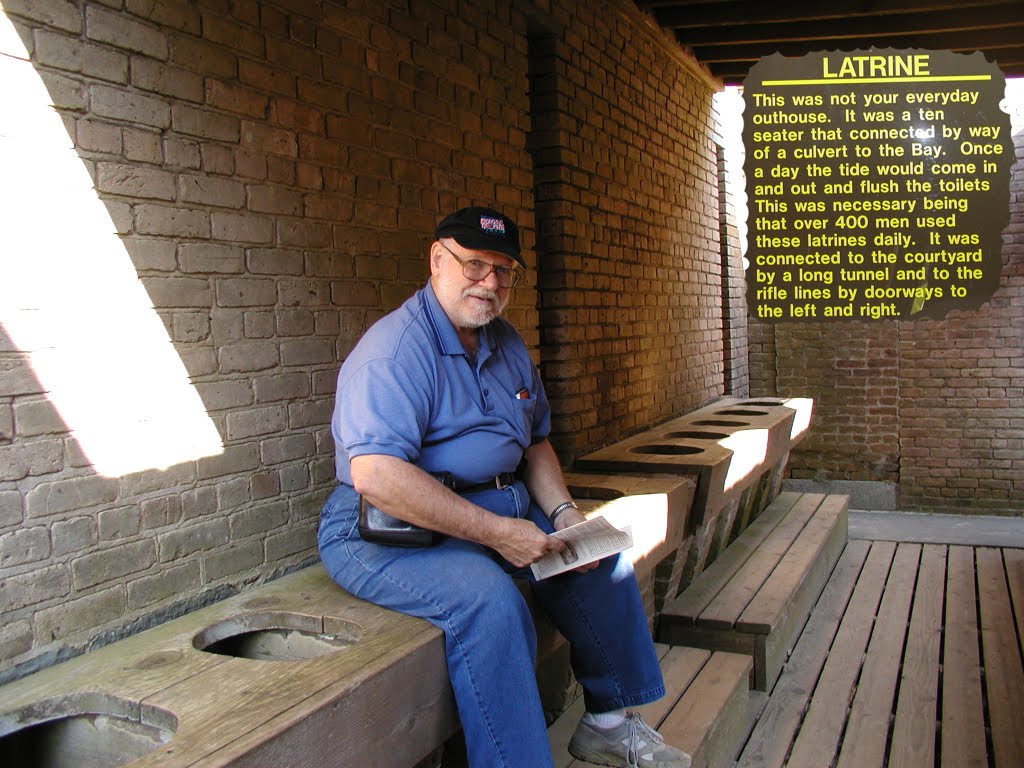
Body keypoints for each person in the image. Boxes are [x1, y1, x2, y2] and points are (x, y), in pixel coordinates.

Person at [318, 206, 691, 768]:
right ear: (437, 260)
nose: (489, 284)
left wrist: (564, 514)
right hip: (384, 528)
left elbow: (536, 442)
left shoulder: (504, 342)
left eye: (503, 271)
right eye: (474, 266)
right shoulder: (394, 351)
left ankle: (608, 725)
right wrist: (496, 533)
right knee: (492, 607)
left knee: (596, 558)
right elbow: (378, 477)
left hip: (493, 504)